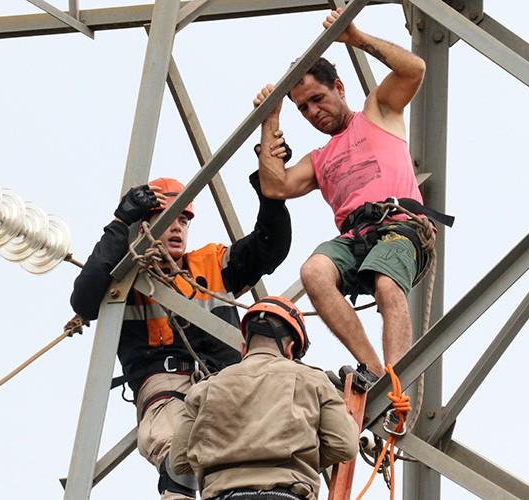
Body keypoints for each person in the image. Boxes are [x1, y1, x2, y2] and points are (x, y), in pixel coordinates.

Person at [70, 168, 292, 499]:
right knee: (179, 455)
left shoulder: (211, 264)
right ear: (144, 227)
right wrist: (120, 223)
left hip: (225, 383)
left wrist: (270, 194)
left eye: (184, 221)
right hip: (166, 385)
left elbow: (270, 246)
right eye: (167, 218)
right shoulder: (125, 278)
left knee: (250, 464)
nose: (177, 227)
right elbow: (84, 299)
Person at [254, 7, 450, 378]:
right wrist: (271, 120)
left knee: (387, 284)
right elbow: (274, 186)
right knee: (314, 271)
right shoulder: (318, 159)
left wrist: (357, 39)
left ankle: (395, 380)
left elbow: (414, 69)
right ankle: (374, 370)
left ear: (339, 88)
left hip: (398, 225)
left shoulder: (377, 112)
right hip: (356, 238)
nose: (313, 112)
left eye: (318, 98)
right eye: (303, 108)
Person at [170, 296, 358, 500]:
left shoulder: (204, 389)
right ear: (290, 349)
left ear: (244, 348)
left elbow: (179, 461)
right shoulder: (312, 380)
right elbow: (344, 445)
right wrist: (302, 452)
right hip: (285, 495)